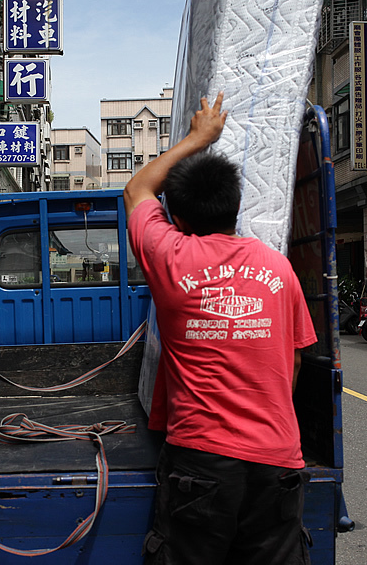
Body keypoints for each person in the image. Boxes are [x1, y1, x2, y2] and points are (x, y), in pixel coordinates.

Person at [124, 93, 317, 565]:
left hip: (202, 460)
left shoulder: (171, 258)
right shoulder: (279, 269)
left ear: (180, 219)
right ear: (235, 207)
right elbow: (292, 361)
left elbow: (137, 190)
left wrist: (198, 138)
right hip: (278, 458)